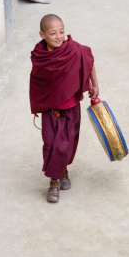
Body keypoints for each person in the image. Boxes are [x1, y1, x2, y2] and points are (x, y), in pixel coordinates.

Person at [29, 14, 99, 203]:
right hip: (50, 110)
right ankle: (59, 173)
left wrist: (95, 84)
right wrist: (37, 102)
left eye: (62, 31)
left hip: (70, 107)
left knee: (66, 144)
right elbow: (37, 81)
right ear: (42, 34)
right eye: (53, 33)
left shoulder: (74, 50)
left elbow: (89, 60)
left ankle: (56, 180)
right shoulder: (40, 56)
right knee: (51, 144)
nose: (59, 36)